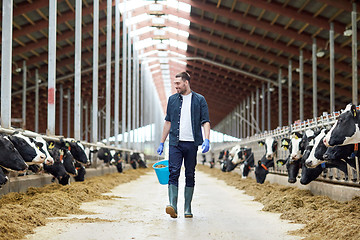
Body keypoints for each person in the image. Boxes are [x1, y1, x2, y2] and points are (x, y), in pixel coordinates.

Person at [157, 71, 210, 219]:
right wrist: (162, 142)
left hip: (192, 144)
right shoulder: (172, 100)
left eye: (178, 84)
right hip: (175, 143)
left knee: (189, 174)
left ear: (186, 82)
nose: (176, 87)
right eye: (175, 84)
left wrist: (207, 138)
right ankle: (173, 206)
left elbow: (205, 121)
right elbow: (168, 122)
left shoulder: (200, 100)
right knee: (173, 172)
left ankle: (187, 207)